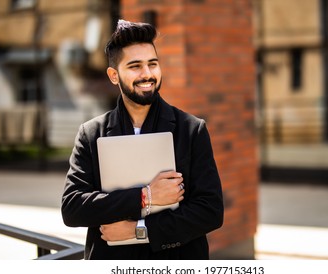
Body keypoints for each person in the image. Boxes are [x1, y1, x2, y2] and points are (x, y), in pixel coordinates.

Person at [61, 19, 223, 260]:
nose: (147, 74)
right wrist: (146, 196)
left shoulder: (191, 129)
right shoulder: (91, 133)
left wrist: (139, 231)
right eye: (135, 66)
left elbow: (210, 211)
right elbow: (73, 208)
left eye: (153, 64)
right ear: (114, 76)